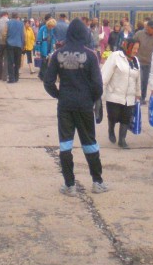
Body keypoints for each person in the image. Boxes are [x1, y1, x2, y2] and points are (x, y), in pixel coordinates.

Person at [42, 18, 108, 196]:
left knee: (65, 144)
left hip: (65, 105)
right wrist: (91, 99)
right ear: (84, 34)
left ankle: (69, 185)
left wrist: (59, 95)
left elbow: (48, 82)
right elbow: (98, 85)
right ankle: (97, 182)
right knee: (90, 143)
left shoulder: (58, 54)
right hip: (84, 105)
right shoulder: (91, 55)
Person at [101, 38, 141, 148]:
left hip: (129, 96)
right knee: (113, 116)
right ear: (127, 46)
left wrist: (138, 94)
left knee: (126, 118)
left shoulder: (135, 60)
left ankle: (122, 140)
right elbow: (105, 74)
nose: (136, 51)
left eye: (137, 49)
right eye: (134, 48)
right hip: (114, 94)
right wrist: (100, 92)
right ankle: (111, 129)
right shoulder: (115, 56)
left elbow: (138, 78)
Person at [133, 20, 153, 99]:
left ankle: (142, 97)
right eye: (152, 28)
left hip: (148, 63)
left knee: (144, 81)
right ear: (147, 27)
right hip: (139, 61)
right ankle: (136, 96)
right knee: (139, 80)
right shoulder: (139, 34)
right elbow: (133, 43)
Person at [5, 12, 24, 83]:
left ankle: (11, 78)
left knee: (10, 62)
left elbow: (4, 33)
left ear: (11, 16)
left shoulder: (8, 23)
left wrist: (5, 41)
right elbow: (23, 35)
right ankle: (16, 77)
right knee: (17, 62)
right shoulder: (21, 24)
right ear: (17, 16)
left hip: (10, 44)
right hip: (19, 44)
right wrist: (23, 44)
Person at [0, 12, 9, 81]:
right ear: (6, 15)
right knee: (6, 59)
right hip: (7, 42)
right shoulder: (9, 21)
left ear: (1, 15)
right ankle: (5, 76)